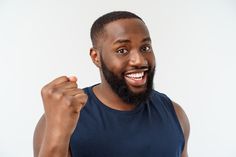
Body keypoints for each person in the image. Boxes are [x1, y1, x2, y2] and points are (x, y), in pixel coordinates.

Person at [33, 11, 190, 157]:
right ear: (96, 57)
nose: (140, 60)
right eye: (122, 50)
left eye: (145, 48)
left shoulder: (175, 114)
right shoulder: (61, 117)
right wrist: (57, 132)